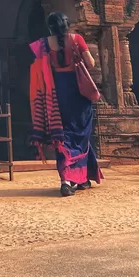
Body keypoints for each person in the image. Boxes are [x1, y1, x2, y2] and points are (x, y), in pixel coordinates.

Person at [28, 12, 104, 196]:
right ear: (67, 25)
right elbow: (91, 64)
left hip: (56, 94)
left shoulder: (44, 44)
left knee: (62, 135)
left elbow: (39, 70)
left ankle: (68, 179)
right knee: (81, 134)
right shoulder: (77, 39)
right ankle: (77, 178)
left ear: (50, 28)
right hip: (78, 92)